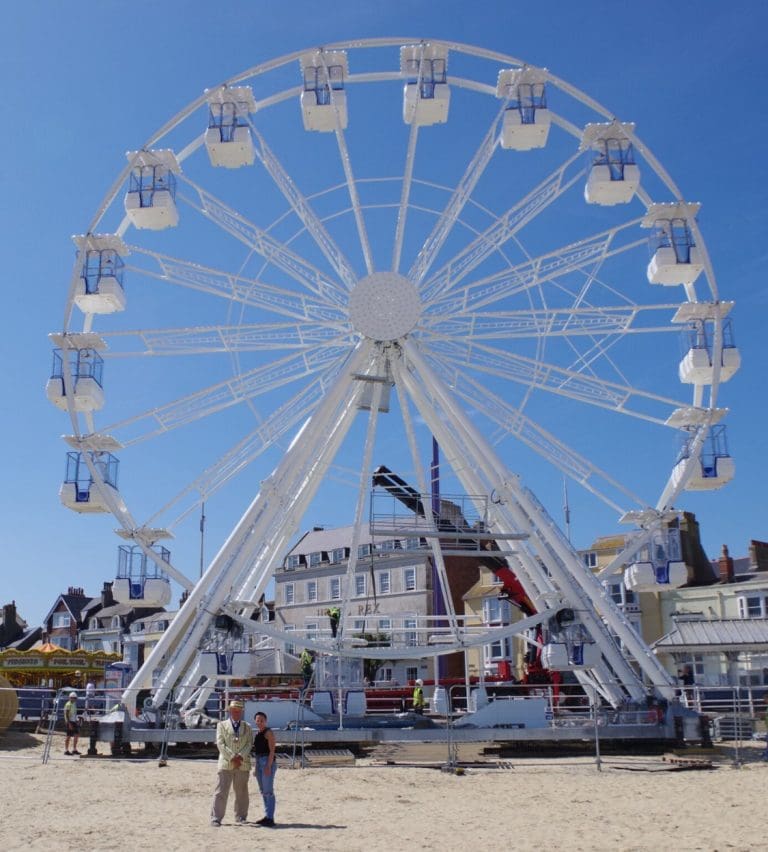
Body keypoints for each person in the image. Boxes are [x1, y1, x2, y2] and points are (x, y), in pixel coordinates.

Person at [210, 700, 254, 827]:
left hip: (242, 763)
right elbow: (220, 743)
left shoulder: (248, 727)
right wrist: (232, 756)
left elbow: (249, 743)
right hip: (225, 763)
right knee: (220, 791)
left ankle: (241, 816)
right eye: (234, 710)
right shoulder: (222, 725)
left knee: (242, 792)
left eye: (239, 711)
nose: (236, 713)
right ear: (229, 711)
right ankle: (216, 818)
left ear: (241, 712)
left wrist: (240, 756)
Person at [252, 711, 277, 827]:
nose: (260, 722)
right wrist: (256, 768)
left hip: (267, 761)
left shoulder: (268, 732)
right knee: (263, 791)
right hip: (259, 762)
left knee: (268, 791)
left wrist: (268, 765)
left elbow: (272, 750)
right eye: (258, 720)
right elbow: (257, 753)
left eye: (262, 720)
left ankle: (270, 818)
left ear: (265, 721)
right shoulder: (257, 734)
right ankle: (267, 815)